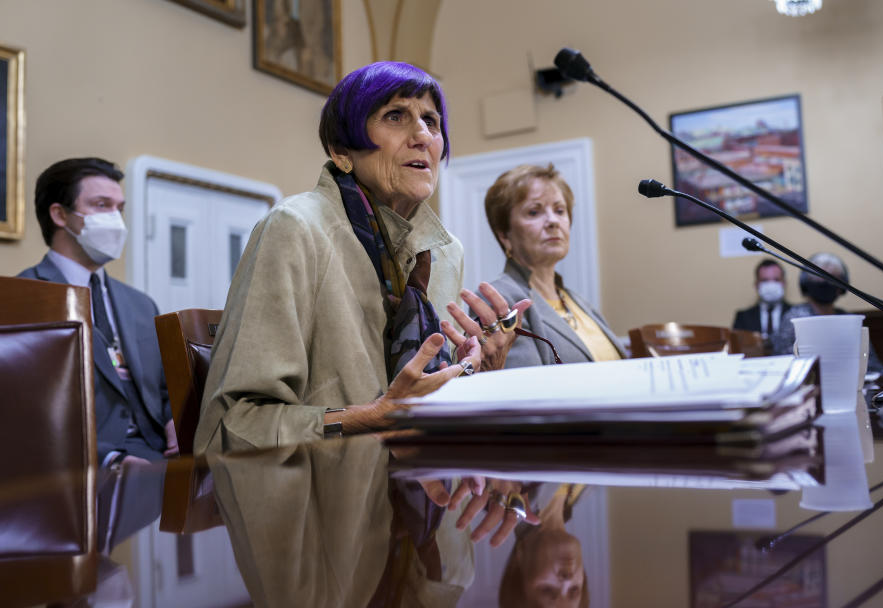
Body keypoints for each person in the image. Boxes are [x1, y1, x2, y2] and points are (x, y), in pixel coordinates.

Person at [196, 60, 534, 535]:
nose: (422, 135)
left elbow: (420, 409)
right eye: (396, 116)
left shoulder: (444, 251)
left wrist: (481, 374)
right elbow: (230, 428)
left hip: (423, 523)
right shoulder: (294, 230)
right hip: (321, 523)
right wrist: (365, 419)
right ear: (341, 150)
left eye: (431, 121)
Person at [18, 158, 177, 467]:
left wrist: (175, 423)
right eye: (102, 205)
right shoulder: (25, 297)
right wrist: (109, 459)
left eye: (119, 209)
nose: (115, 219)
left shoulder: (141, 304)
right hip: (76, 465)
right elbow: (27, 408)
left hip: (158, 456)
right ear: (60, 214)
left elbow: (163, 386)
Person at [469, 164, 627, 368]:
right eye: (534, 212)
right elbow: (525, 389)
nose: (553, 221)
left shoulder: (579, 302)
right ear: (504, 235)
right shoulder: (500, 299)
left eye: (560, 210)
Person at [771, 252, 883, 374]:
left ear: (842, 286)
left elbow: (873, 367)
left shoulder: (849, 321)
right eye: (817, 278)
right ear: (806, 284)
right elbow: (785, 366)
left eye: (832, 278)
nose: (824, 283)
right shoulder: (794, 319)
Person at [499, 483, 590, 608]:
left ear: (519, 563)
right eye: (574, 590)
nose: (566, 580)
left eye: (548, 590)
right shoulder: (581, 492)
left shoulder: (504, 490)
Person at [732, 259, 792, 343]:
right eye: (765, 280)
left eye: (776, 280)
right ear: (756, 285)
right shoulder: (742, 318)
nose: (771, 286)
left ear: (784, 283)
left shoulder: (795, 314)